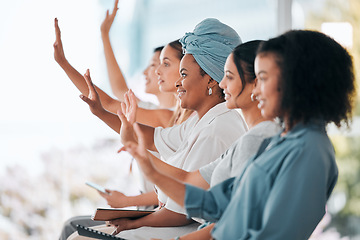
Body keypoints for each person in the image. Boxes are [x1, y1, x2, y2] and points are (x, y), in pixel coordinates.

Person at [123, 29, 356, 239]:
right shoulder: (281, 141)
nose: (257, 90)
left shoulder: (310, 150)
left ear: (296, 82)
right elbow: (213, 203)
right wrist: (149, 168)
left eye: (263, 79)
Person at [67, 18, 246, 240]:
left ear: (210, 80)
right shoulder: (200, 121)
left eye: (184, 75)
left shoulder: (217, 129)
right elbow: (152, 138)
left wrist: (135, 221)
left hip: (185, 230)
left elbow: (184, 212)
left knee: (77, 237)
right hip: (172, 222)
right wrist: (101, 113)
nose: (178, 84)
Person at [100, 0, 176, 109]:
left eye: (153, 65)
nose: (145, 73)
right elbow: (119, 89)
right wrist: (104, 35)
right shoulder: (152, 110)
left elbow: (109, 102)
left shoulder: (175, 117)